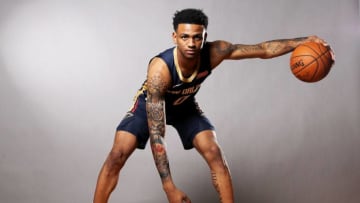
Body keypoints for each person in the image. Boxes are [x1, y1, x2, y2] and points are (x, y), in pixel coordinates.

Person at [93, 8, 334, 203]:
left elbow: (262, 49)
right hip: (151, 104)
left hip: (184, 104)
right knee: (117, 154)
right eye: (185, 37)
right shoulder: (160, 70)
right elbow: (157, 133)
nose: (191, 43)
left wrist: (303, 41)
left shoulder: (215, 52)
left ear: (205, 37)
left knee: (215, 153)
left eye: (197, 37)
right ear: (174, 37)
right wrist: (169, 188)